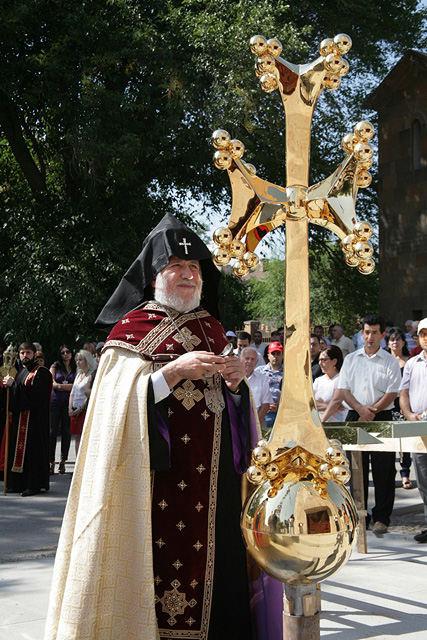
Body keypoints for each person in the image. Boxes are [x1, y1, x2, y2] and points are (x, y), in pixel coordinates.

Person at [44, 213, 282, 640]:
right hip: (151, 488)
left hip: (216, 495)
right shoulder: (129, 333)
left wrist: (235, 386)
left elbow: (236, 418)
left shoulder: (211, 330)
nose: (187, 274)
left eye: (194, 268)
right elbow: (111, 413)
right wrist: (172, 374)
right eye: (175, 265)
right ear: (155, 276)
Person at [323, 314, 401, 534]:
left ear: (383, 335)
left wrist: (372, 411)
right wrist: (359, 409)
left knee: (383, 469)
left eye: (375, 332)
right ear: (362, 334)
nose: (370, 337)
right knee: (356, 468)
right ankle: (358, 514)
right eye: (367, 332)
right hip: (355, 416)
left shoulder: (389, 361)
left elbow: (392, 392)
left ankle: (382, 517)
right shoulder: (351, 359)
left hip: (381, 417)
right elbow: (344, 390)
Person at [2, 342, 52, 496]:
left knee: (33, 452)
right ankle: (18, 483)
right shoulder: (21, 373)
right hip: (20, 420)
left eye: (28, 352)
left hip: (35, 421)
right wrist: (8, 388)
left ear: (34, 354)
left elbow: (35, 395)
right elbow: (16, 397)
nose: (25, 356)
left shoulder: (42, 373)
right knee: (18, 451)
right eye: (22, 353)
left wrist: (15, 386)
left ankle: (33, 485)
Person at [400, 318, 427, 543]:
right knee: (424, 479)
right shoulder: (412, 363)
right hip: (419, 429)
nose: (426, 337)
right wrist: (408, 414)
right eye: (423, 333)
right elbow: (404, 392)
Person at [386, 327, 412, 489]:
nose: (395, 342)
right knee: (388, 444)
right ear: (387, 343)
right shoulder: (385, 360)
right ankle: (388, 477)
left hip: (403, 407)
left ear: (403, 342)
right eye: (392, 340)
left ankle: (405, 474)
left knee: (405, 445)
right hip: (387, 406)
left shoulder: (410, 362)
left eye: (398, 339)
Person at [49, 345, 76, 474]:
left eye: (68, 352)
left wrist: (59, 386)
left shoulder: (75, 367)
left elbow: (75, 387)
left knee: (66, 432)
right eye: (63, 352)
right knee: (52, 432)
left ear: (71, 353)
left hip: (68, 403)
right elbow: (51, 383)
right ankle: (51, 461)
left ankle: (63, 461)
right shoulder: (55, 366)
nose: (65, 354)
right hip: (54, 402)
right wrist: (64, 386)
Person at [69, 350, 95, 456]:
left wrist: (80, 408)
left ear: (87, 360)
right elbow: (72, 393)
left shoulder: (91, 375)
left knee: (84, 436)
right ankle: (77, 463)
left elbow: (89, 395)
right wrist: (70, 408)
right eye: (76, 360)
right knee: (76, 437)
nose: (78, 362)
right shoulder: (79, 375)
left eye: (80, 360)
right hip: (74, 408)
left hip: (84, 409)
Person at [256, 341, 283, 434]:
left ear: (282, 355)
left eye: (278, 353)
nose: (275, 356)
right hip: (264, 412)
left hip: (282, 413)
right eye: (273, 353)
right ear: (268, 355)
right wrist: (266, 405)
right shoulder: (259, 371)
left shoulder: (288, 372)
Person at [313, 345, 346, 422]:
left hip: (337, 424)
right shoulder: (318, 381)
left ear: (334, 361)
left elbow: (338, 404)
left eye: (323, 360)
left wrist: (320, 405)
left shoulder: (342, 380)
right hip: (317, 423)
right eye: (319, 360)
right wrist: (327, 405)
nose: (320, 363)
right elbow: (310, 403)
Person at [241, 347, 272, 427]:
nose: (249, 361)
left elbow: (266, 404)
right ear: (241, 359)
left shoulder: (263, 379)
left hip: (258, 422)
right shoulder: (233, 378)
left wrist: (254, 424)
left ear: (256, 361)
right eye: (247, 358)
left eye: (252, 359)